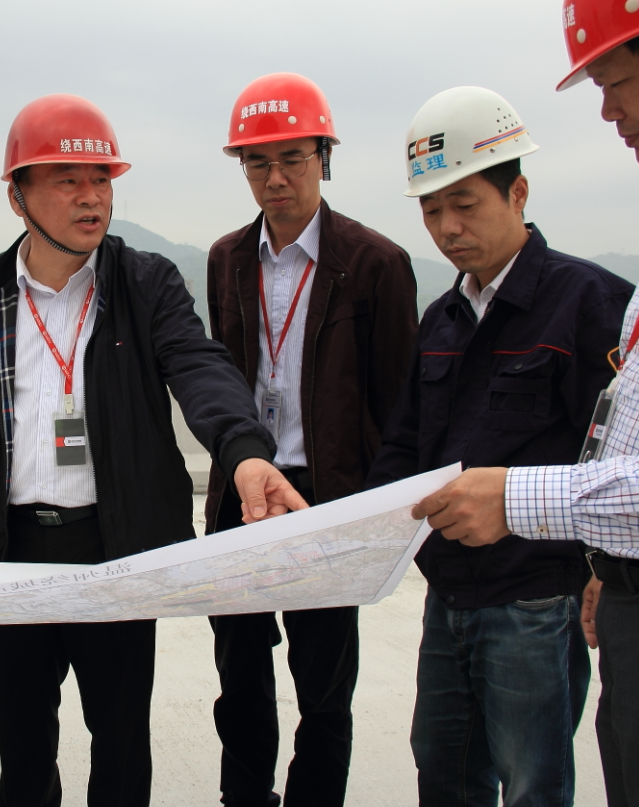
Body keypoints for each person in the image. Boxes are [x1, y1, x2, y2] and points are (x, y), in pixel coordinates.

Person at [0, 93, 307, 807]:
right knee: (23, 741)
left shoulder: (144, 282)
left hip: (116, 548)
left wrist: (243, 451)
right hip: (15, 549)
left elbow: (198, 365)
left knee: (122, 740)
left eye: (101, 179)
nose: (91, 197)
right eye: (68, 181)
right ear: (18, 196)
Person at [370, 85, 631, 807]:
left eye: (464, 204)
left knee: (532, 786)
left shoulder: (589, 304)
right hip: (448, 596)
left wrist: (600, 570)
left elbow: (616, 458)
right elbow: (405, 447)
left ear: (517, 192)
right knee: (443, 774)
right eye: (431, 210)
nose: (447, 228)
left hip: (537, 603)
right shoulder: (442, 318)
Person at [204, 73, 418, 807]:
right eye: (257, 163)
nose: (275, 179)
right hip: (244, 492)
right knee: (239, 675)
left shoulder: (376, 263)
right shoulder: (227, 258)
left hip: (329, 497)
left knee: (323, 687)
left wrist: (378, 517)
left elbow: (397, 402)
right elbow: (223, 377)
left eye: (292, 159)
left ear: (324, 157)